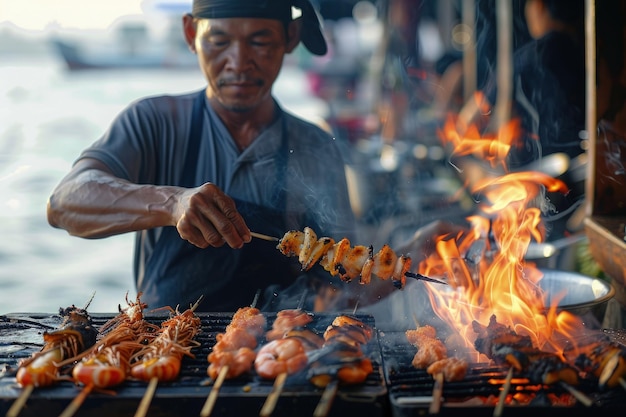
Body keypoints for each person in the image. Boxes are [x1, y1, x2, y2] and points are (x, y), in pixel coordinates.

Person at [46, 0, 357, 313]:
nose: (238, 62)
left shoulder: (316, 147)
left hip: (274, 351)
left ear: (290, 37)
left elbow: (342, 280)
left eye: (259, 41)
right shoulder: (154, 122)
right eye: (219, 41)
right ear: (191, 33)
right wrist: (172, 203)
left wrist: (397, 266)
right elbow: (63, 204)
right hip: (161, 349)